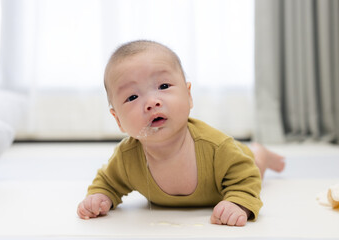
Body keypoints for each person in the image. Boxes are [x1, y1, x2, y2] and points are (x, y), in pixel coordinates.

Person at [77, 40, 285, 227]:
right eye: (132, 97)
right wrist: (99, 197)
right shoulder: (127, 158)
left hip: (239, 162)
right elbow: (108, 181)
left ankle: (261, 153)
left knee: (255, 166)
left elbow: (245, 176)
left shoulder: (217, 147)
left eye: (164, 86)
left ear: (188, 95)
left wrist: (238, 203)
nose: (152, 103)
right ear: (118, 120)